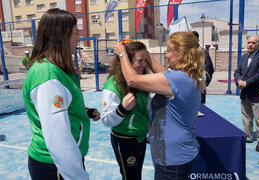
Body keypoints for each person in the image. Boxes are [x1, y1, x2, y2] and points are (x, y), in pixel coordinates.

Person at [114, 32, 205, 180]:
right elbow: (164, 74)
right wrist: (147, 54)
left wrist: (122, 54)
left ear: (181, 53)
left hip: (173, 159)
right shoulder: (186, 75)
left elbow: (132, 80)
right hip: (179, 154)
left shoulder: (178, 79)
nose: (166, 55)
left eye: (169, 51)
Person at [22, 8, 100, 180]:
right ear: (61, 36)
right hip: (57, 166)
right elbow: (58, 138)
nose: (79, 38)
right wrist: (78, 176)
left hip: (63, 163)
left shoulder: (58, 69)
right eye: (75, 33)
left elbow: (62, 106)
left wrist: (84, 111)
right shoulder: (48, 74)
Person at [101, 40, 149, 180]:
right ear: (126, 61)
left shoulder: (141, 79)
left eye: (145, 60)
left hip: (140, 137)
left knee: (136, 176)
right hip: (124, 140)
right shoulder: (113, 84)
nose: (144, 65)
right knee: (130, 177)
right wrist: (122, 109)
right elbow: (106, 120)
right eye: (140, 61)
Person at [234, 36, 259, 152]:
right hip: (245, 94)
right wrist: (239, 80)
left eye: (253, 43)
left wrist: (246, 83)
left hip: (257, 94)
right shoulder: (244, 57)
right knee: (246, 117)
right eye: (249, 42)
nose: (250, 45)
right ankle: (248, 137)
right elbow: (237, 71)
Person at [191, 31, 214, 104]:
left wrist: (204, 83)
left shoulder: (204, 52)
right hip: (188, 87)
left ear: (198, 40)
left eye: (194, 39)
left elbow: (210, 69)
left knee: (201, 109)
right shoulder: (186, 53)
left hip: (200, 87)